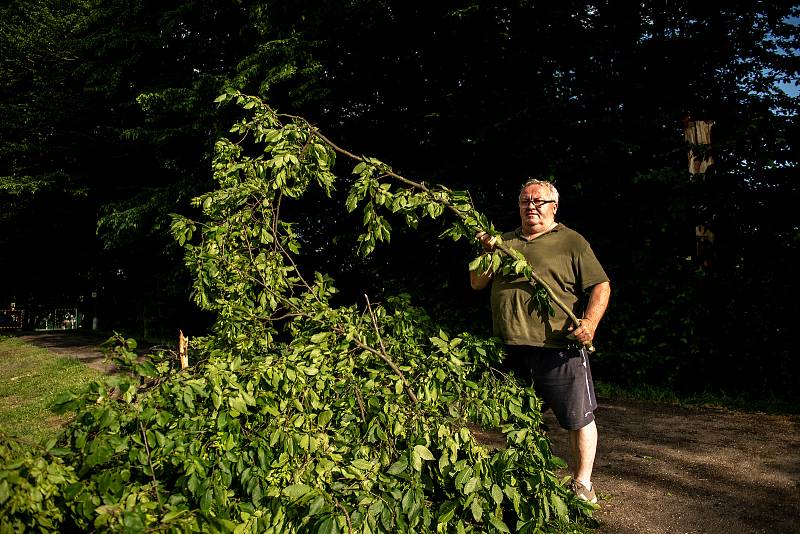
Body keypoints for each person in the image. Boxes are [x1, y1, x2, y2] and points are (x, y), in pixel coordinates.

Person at [470, 178, 611, 504]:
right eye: (525, 201)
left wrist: (590, 322)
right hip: (508, 347)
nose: (531, 207)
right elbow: (477, 283)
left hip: (559, 348)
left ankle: (582, 484)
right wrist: (486, 252)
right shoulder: (503, 242)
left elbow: (601, 285)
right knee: (517, 418)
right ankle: (523, 476)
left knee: (579, 417)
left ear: (554, 207)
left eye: (538, 202)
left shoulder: (571, 242)